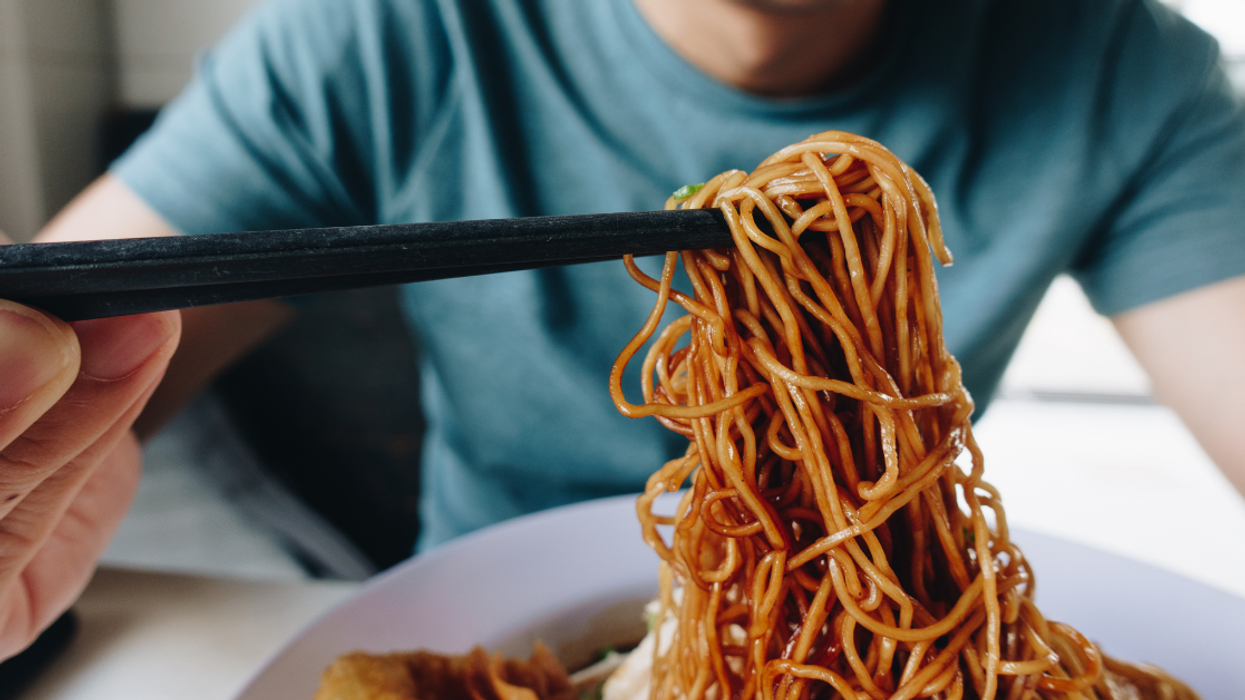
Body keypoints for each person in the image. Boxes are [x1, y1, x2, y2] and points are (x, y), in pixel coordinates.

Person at [1, 0, 1243, 660]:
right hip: (485, 644)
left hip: (893, 629)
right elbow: (74, 345)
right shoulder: (385, 29)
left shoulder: (1125, 65)